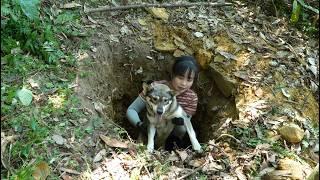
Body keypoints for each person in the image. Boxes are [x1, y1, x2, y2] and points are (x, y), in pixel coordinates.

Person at [126, 56, 199, 150]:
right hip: (150, 129)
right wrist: (139, 124)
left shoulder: (191, 98)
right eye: (180, 78)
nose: (184, 83)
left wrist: (179, 122)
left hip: (172, 137)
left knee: (181, 127)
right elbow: (132, 110)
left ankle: (171, 149)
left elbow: (186, 123)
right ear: (173, 75)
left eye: (189, 80)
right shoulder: (154, 88)